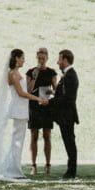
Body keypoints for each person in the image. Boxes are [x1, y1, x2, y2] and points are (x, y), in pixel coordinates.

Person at [0, 49, 40, 180]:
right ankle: (13, 169)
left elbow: (27, 89)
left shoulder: (18, 73)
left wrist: (34, 78)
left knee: (19, 140)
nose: (24, 60)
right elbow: (20, 93)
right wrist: (38, 99)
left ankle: (13, 167)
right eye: (22, 58)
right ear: (17, 59)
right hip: (18, 108)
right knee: (17, 140)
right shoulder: (12, 73)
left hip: (22, 108)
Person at [26, 47, 58, 176]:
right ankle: (33, 165)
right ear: (36, 58)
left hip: (46, 105)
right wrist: (34, 76)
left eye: (43, 58)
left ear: (47, 58)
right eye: (39, 58)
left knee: (47, 135)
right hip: (34, 105)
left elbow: (56, 90)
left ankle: (48, 165)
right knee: (34, 135)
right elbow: (28, 90)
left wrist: (48, 93)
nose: (41, 60)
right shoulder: (30, 72)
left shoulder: (52, 72)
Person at [52, 49, 80, 180]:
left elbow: (68, 98)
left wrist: (49, 101)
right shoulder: (67, 75)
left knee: (69, 143)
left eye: (59, 59)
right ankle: (70, 170)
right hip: (65, 115)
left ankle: (71, 172)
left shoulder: (70, 76)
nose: (58, 62)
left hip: (67, 115)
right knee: (68, 142)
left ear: (65, 60)